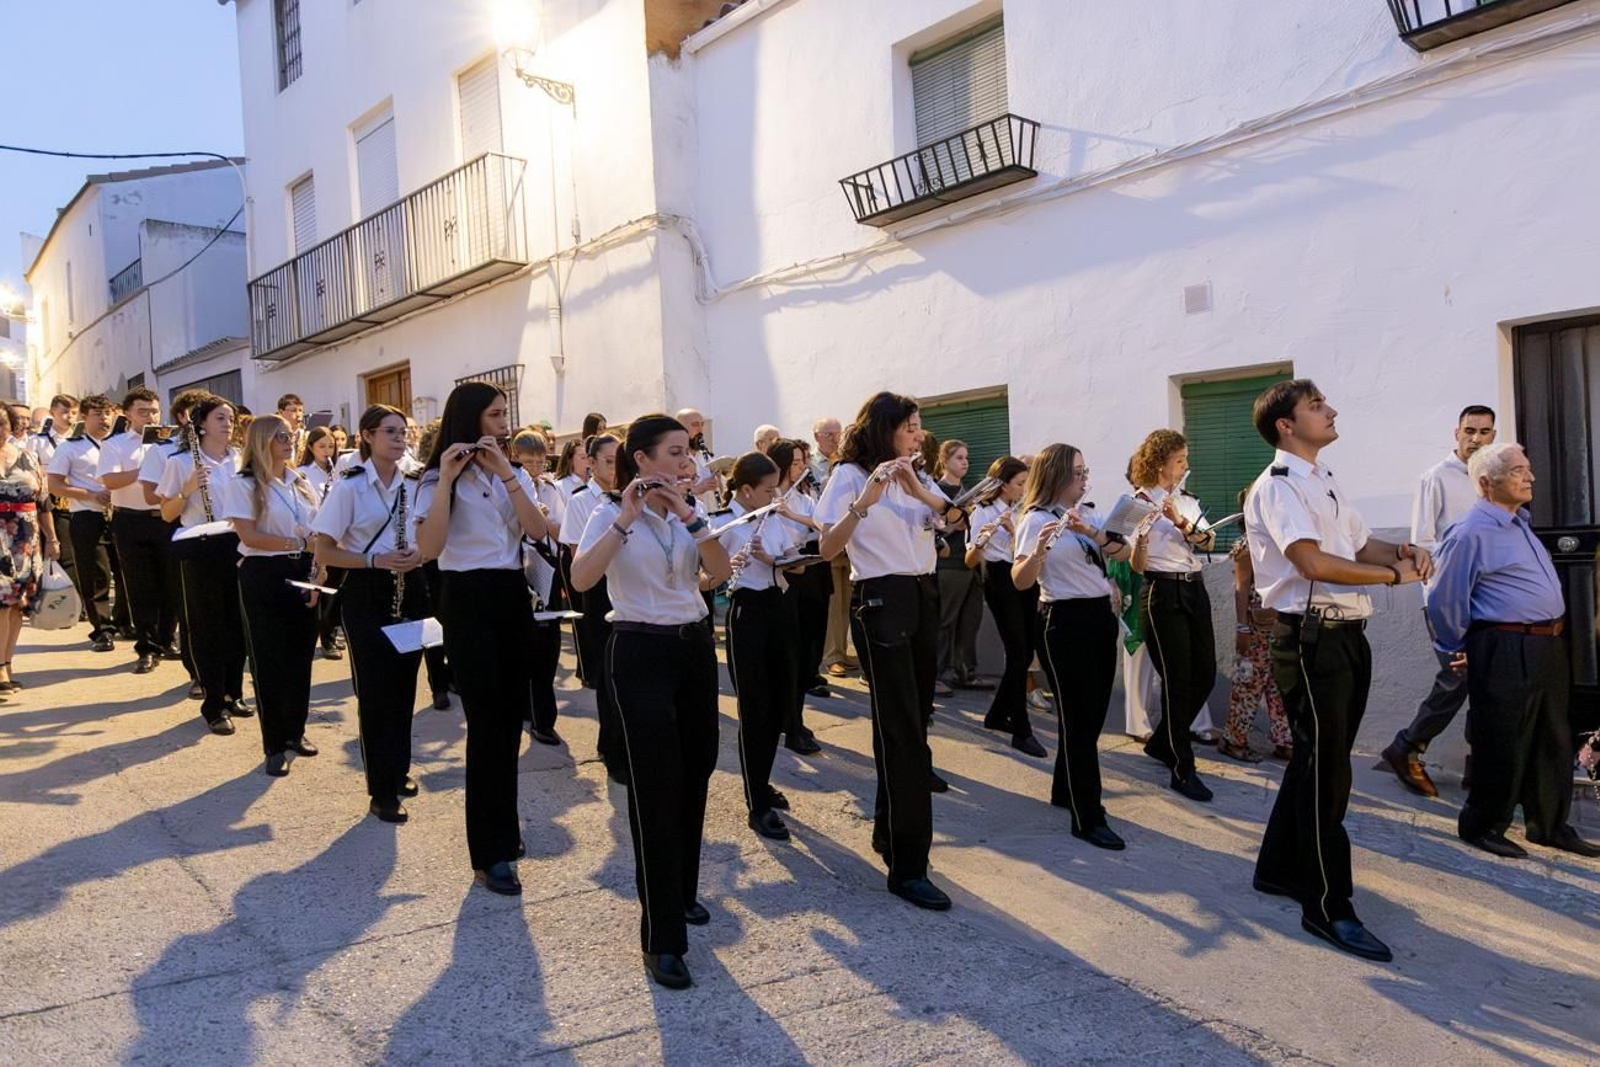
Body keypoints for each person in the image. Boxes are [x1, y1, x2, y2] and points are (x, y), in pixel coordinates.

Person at [1244, 378, 1431, 962]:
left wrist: (1402, 553)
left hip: (1346, 634)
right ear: (1285, 424)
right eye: (1317, 406)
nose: (1331, 411)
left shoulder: (1322, 479)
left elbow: (1358, 545)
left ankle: (1277, 869)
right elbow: (1311, 562)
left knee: (1314, 760)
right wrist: (1396, 578)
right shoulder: (1277, 487)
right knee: (1329, 774)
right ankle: (1326, 906)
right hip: (1310, 638)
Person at [571, 414, 732, 991]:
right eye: (674, 452)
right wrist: (625, 519)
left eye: (688, 453)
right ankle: (662, 936)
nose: (686, 463)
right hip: (638, 650)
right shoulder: (606, 514)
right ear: (640, 459)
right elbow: (584, 579)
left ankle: (682, 893)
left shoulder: (693, 515)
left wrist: (691, 515)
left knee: (696, 774)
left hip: (692, 650)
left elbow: (720, 572)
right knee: (655, 787)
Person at [817, 392, 968, 912]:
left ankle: (888, 832)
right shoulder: (850, 476)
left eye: (920, 427)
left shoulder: (916, 474)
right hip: (882, 598)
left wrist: (916, 489)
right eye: (910, 427)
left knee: (910, 721)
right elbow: (827, 548)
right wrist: (868, 500)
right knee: (903, 732)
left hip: (923, 593)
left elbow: (954, 518)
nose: (918, 435)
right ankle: (909, 867)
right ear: (885, 428)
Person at [1425, 443, 1600, 860]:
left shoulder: (1517, 522)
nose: (1530, 477)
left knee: (1552, 738)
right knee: (1502, 738)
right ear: (1487, 483)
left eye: (1528, 468)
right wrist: (1455, 650)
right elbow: (1443, 600)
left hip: (1546, 644)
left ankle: (1549, 825)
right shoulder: (1469, 531)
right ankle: (1482, 825)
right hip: (1504, 644)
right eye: (1518, 470)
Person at [414, 381, 549, 896]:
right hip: (466, 596)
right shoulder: (432, 477)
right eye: (495, 415)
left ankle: (506, 829)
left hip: (510, 591)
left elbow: (539, 531)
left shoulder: (510, 471)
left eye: (504, 414)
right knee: (486, 722)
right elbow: (430, 547)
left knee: (509, 720)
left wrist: (509, 476)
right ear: (471, 419)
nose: (504, 423)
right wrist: (448, 478)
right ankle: (488, 850)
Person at [1012, 444, 1134, 849]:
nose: (1084, 480)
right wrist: (1038, 554)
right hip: (1063, 622)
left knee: (1090, 715)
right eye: (1077, 473)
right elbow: (1020, 580)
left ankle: (1065, 789)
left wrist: (1092, 532)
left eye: (1086, 472)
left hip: (1100, 617)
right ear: (1057, 476)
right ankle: (1088, 815)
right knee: (1080, 720)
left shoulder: (1090, 514)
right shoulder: (1034, 520)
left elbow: (1128, 553)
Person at [312, 404, 427, 823]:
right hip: (367, 590)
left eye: (404, 432)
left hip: (411, 588)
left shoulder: (416, 482)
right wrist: (374, 561)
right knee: (377, 694)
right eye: (391, 432)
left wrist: (420, 553)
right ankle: (381, 788)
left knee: (405, 687)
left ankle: (398, 770)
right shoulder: (350, 486)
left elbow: (431, 532)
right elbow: (322, 547)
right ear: (368, 436)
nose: (401, 439)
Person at [1382, 404, 1498, 797]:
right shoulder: (1436, 478)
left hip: (1490, 597)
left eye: (1484, 432)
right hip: (1448, 599)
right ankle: (1406, 746)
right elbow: (1423, 543)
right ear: (1456, 432)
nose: (1476, 438)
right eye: (1470, 430)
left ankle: (1478, 766)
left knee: (1488, 681)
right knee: (1458, 677)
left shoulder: (1491, 478)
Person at [223, 414, 325, 777]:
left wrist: (318, 570)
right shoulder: (245, 483)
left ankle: (295, 732)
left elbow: (318, 533)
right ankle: (274, 744)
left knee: (300, 657)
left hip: (304, 570)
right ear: (262, 441)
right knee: (269, 660)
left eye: (291, 434)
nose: (289, 439)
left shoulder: (299, 480)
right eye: (280, 435)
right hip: (265, 572)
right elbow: (249, 537)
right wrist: (298, 542)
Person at [1128, 429, 1219, 802]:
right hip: (1161, 590)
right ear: (1161, 462)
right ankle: (1183, 767)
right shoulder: (1134, 501)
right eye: (1180, 460)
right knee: (1177, 680)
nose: (1185, 466)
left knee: (1206, 673)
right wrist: (1146, 535)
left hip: (1194, 587)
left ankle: (1164, 740)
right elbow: (1134, 564)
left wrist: (1180, 521)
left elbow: (1210, 542)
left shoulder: (1187, 500)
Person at [718, 451, 803, 842]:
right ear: (747, 491)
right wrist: (728, 565)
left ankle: (762, 780)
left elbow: (794, 562)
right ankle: (757, 802)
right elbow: (707, 575)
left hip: (778, 607)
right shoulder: (724, 523)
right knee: (756, 709)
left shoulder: (769, 517)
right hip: (748, 612)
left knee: (780, 702)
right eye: (769, 489)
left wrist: (779, 559)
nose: (775, 495)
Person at [158, 395, 250, 735]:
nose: (228, 424)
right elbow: (167, 513)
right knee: (207, 627)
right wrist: (187, 489)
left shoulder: (239, 459)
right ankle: (214, 704)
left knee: (236, 624)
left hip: (235, 541)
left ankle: (234, 692)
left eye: (231, 418)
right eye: (221, 418)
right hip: (198, 544)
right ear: (201, 424)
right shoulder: (181, 461)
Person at [965, 456, 1045, 756]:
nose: (1024, 490)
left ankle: (997, 714)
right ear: (1003, 483)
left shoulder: (1024, 510)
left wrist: (1014, 530)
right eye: (1020, 484)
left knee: (1025, 650)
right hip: (998, 577)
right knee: (1017, 650)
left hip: (1024, 575)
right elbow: (970, 560)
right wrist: (984, 541)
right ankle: (1021, 730)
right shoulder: (983, 511)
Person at [96, 388, 177, 674]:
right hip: (131, 520)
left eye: (154, 410)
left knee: (171, 582)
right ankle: (146, 647)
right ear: (127, 414)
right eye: (143, 411)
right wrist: (146, 470)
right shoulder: (115, 444)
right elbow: (110, 480)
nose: (150, 416)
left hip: (166, 518)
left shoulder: (171, 443)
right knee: (141, 585)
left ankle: (166, 640)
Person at [560, 432, 625, 780]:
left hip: (628, 586)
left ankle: (622, 740)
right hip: (597, 587)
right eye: (609, 461)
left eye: (620, 460)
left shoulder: (634, 497)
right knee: (604, 669)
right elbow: (576, 556)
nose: (615, 469)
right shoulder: (582, 500)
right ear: (592, 463)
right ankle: (610, 745)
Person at [140, 390, 210, 699]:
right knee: (190, 608)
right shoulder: (163, 451)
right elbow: (156, 499)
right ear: (182, 417)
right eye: (197, 412)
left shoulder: (227, 452)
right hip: (178, 529)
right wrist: (186, 487)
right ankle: (197, 672)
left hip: (222, 533)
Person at [1219, 488, 1292, 763]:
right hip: (1255, 629)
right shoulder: (1247, 545)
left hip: (1278, 624)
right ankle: (1232, 740)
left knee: (1278, 684)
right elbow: (1241, 588)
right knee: (1248, 684)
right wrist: (1242, 629)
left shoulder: (1275, 540)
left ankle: (1285, 741)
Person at [768, 438, 828, 751]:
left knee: (805, 651)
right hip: (774, 575)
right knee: (786, 654)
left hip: (804, 570)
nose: (802, 467)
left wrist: (792, 515)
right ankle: (787, 721)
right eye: (794, 462)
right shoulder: (766, 493)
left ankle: (795, 717)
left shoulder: (803, 497)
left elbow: (821, 526)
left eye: (803, 461)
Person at [46, 394, 118, 652]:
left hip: (120, 514)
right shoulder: (70, 447)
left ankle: (126, 621)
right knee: (96, 574)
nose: (105, 419)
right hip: (87, 514)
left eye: (108, 413)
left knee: (124, 572)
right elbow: (54, 484)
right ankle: (102, 630)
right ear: (84, 417)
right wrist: (89, 494)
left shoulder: (119, 444)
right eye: (98, 414)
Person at [510, 429, 568, 746]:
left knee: (547, 647)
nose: (533, 466)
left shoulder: (550, 489)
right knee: (521, 647)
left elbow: (564, 531)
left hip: (546, 569)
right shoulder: (506, 485)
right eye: (526, 459)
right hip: (516, 570)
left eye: (539, 459)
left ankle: (544, 719)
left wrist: (542, 520)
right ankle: (523, 708)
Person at [0, 404, 58, 694]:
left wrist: (53, 539)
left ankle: (7, 664)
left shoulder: (29, 456)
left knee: (15, 607)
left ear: (11, 426)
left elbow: (44, 502)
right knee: (0, 604)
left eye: (2, 423)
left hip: (26, 539)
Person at [933, 439, 988, 696]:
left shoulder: (969, 491)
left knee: (970, 619)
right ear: (945, 461)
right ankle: (937, 673)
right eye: (959, 458)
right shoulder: (936, 490)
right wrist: (955, 522)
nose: (965, 462)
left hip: (972, 561)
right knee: (945, 620)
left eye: (966, 458)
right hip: (948, 562)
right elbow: (933, 526)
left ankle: (965, 671)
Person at [298, 425, 345, 661]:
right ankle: (323, 639)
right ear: (310, 448)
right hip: (317, 537)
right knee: (319, 588)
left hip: (338, 536)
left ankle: (331, 631)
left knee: (335, 590)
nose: (328, 451)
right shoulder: (303, 473)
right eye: (322, 446)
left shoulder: (337, 472)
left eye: (331, 446)